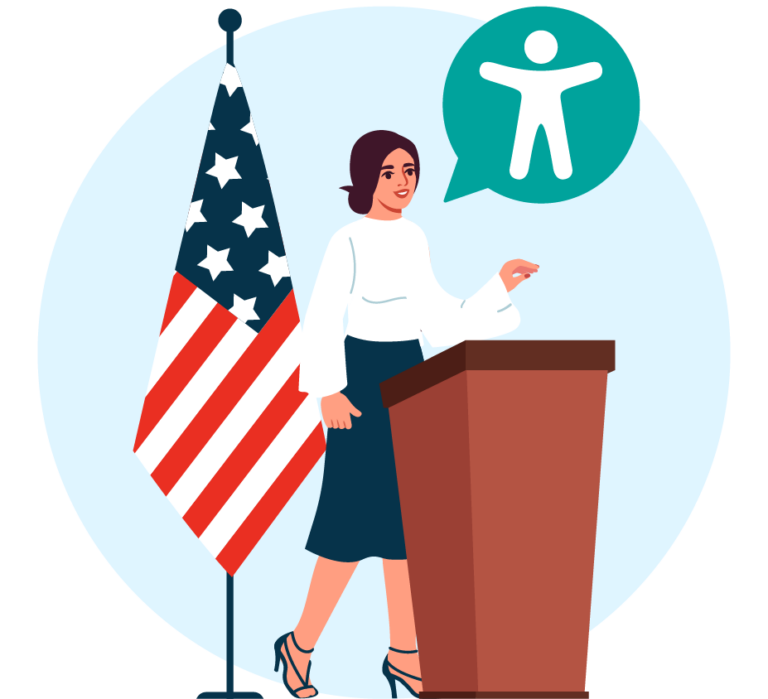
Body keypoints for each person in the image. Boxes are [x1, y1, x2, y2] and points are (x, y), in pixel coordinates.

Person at [273, 130, 539, 698]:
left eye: (411, 170)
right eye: (391, 171)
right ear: (366, 177)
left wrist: (497, 286)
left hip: (410, 380)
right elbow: (322, 317)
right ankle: (299, 645)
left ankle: (405, 651)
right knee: (346, 531)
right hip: (359, 387)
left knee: (407, 531)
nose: (403, 182)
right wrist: (327, 391)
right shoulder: (346, 240)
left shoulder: (415, 238)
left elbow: (438, 318)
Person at [480, 30, 602, 180]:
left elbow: (488, 70)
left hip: (539, 114)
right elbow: (593, 70)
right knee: (546, 141)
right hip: (542, 114)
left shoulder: (526, 77)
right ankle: (556, 174)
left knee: (534, 141)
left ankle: (525, 174)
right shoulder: (555, 77)